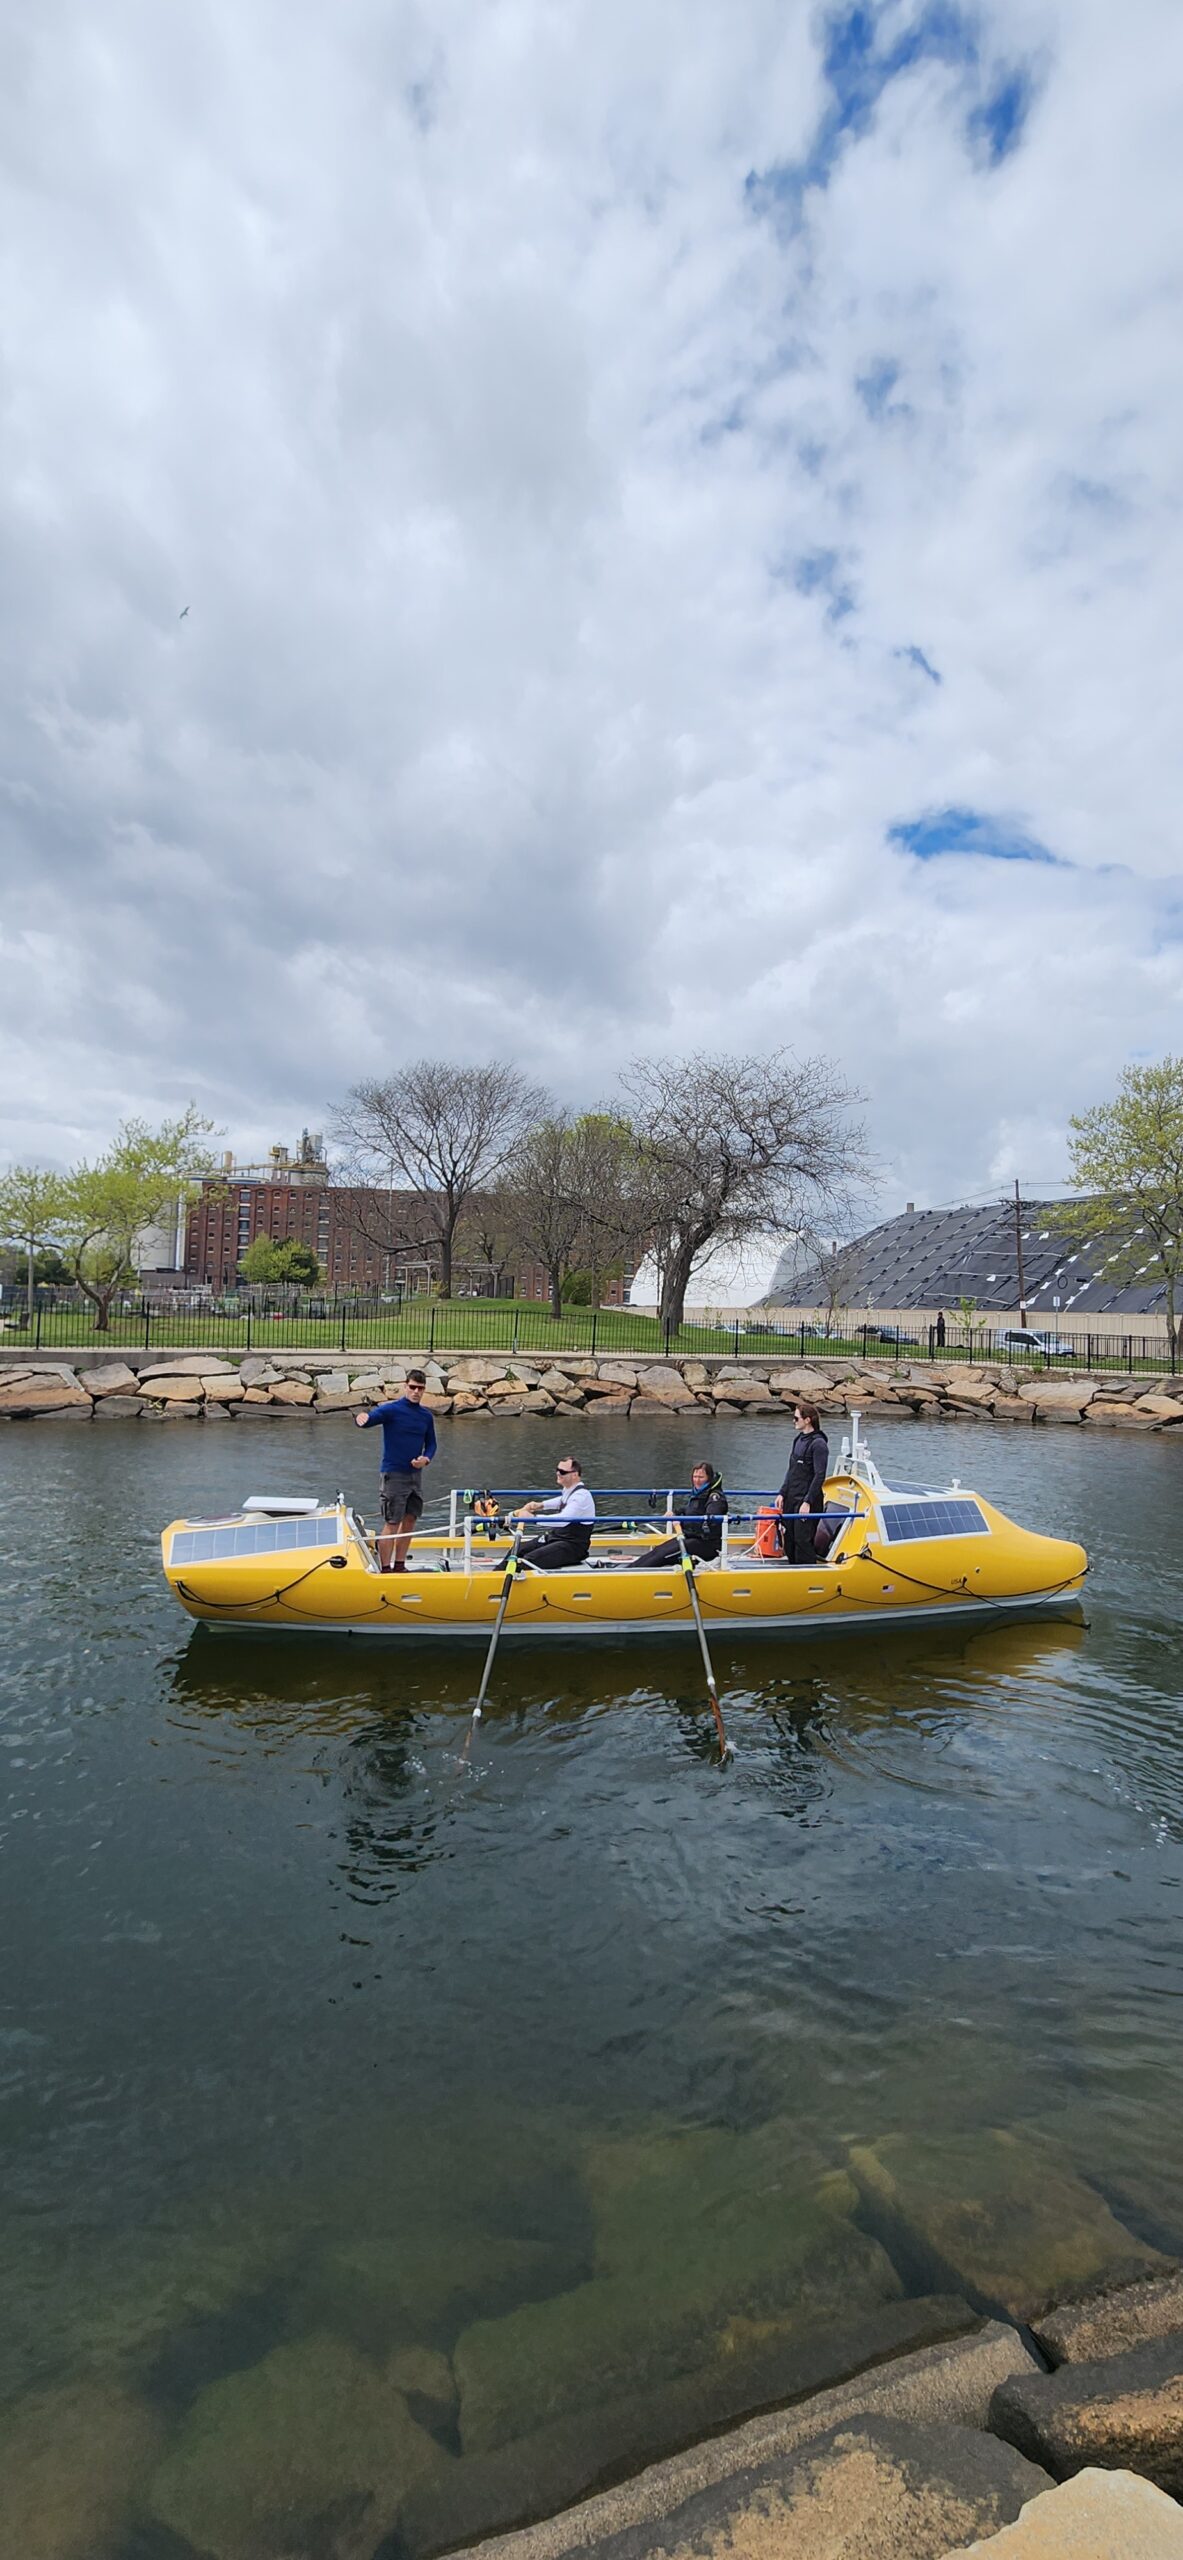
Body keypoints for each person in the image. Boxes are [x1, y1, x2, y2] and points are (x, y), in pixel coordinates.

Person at [354, 1368, 436, 1571]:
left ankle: (400, 1565)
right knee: (392, 1522)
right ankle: (386, 1568)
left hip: (415, 1476)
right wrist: (362, 1419)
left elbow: (432, 1444)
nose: (416, 1391)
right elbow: (370, 1419)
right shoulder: (392, 1410)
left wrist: (426, 1459)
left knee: (410, 1520)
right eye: (412, 1387)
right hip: (394, 1474)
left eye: (420, 1388)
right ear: (405, 1386)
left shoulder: (426, 1416)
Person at [622, 1463, 728, 1569]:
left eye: (701, 1477)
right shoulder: (699, 1494)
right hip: (690, 1537)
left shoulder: (715, 1498)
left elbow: (711, 1520)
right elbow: (691, 1510)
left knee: (662, 1556)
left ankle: (631, 1574)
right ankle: (627, 1570)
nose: (697, 1480)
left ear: (708, 1478)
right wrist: (675, 1513)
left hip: (707, 1543)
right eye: (695, 1477)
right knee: (658, 1550)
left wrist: (681, 1522)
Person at [507, 1457, 595, 1571]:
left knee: (528, 1560)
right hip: (557, 1538)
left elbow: (563, 1520)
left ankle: (510, 1582)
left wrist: (533, 1518)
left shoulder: (581, 1497)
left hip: (572, 1546)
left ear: (575, 1475)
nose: (558, 1473)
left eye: (563, 1472)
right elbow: (561, 1501)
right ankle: (496, 1575)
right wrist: (540, 1505)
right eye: (557, 1470)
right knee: (517, 1549)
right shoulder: (570, 1491)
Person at [778, 1401, 829, 1564]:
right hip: (792, 1496)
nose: (794, 1421)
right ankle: (792, 1569)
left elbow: (819, 1475)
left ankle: (807, 1572)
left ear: (807, 1420)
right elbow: (791, 1470)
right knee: (789, 1536)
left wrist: (808, 1501)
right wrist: (782, 1492)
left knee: (802, 1539)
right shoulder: (798, 1440)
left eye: (796, 1418)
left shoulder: (818, 1444)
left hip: (806, 1500)